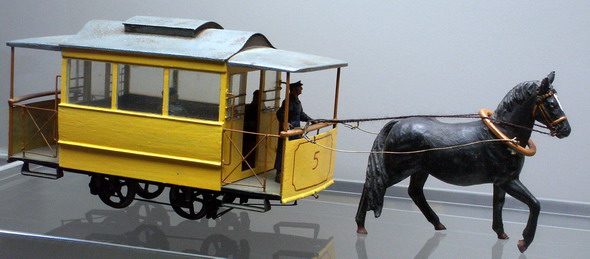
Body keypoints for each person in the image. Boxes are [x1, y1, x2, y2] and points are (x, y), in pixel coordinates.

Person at [274, 81, 313, 182]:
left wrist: (311, 120)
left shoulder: (297, 101)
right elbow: (280, 113)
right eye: (300, 87)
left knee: (293, 150)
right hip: (290, 131)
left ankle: (290, 172)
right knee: (284, 150)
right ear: (295, 89)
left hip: (296, 131)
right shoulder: (288, 101)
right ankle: (279, 173)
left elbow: (301, 114)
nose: (302, 89)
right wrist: (285, 122)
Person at [242, 90, 260, 168]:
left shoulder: (262, 109)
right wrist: (250, 124)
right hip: (249, 135)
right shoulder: (248, 108)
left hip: (257, 135)